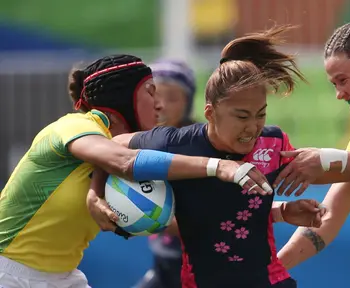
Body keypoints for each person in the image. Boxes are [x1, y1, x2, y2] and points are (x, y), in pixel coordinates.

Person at [0, 54, 277, 288]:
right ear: (124, 97)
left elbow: (192, 218)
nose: (159, 104)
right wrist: (219, 166)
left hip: (63, 277)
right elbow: (124, 161)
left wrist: (276, 212)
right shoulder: (74, 126)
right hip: (8, 271)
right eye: (151, 91)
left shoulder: (119, 155)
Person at [87, 26, 327, 288]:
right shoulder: (175, 143)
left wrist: (285, 209)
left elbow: (340, 174)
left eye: (261, 114)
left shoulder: (273, 143)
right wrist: (94, 192)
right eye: (242, 116)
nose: (253, 126)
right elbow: (110, 147)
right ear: (210, 112)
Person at [272, 6, 350, 269]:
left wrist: (328, 159)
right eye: (334, 84)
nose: (339, 94)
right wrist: (273, 271)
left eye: (343, 80)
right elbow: (328, 216)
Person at [135, 59, 197, 288]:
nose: (160, 105)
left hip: (202, 268)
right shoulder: (136, 143)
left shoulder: (199, 147)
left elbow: (211, 218)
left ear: (187, 104)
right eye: (154, 96)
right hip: (165, 266)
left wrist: (149, 218)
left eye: (172, 97)